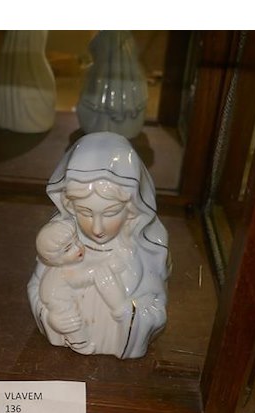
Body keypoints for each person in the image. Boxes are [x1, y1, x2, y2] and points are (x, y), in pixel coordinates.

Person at [28, 131, 169, 359]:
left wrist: (125, 310)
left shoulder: (146, 249)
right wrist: (51, 317)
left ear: (131, 209)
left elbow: (156, 310)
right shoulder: (59, 239)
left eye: (110, 212)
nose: (97, 228)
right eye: (85, 212)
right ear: (71, 207)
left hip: (115, 350)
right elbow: (39, 289)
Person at [35, 219, 128, 355]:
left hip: (55, 297)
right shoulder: (65, 272)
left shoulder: (68, 264)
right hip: (58, 302)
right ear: (55, 260)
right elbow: (87, 276)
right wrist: (109, 267)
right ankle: (79, 344)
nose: (78, 248)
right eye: (68, 249)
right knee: (72, 322)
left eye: (77, 240)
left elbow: (90, 263)